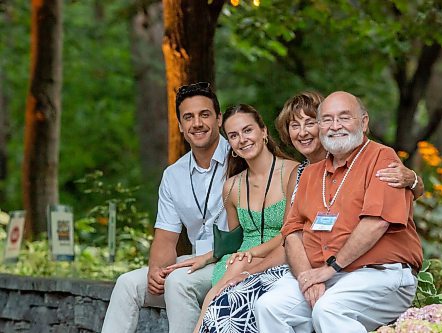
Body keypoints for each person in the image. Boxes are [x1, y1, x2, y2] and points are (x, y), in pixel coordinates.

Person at [198, 91, 423, 333]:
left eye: (344, 118)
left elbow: (376, 223)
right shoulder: (309, 174)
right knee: (269, 307)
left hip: (375, 269)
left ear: (364, 122)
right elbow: (293, 233)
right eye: (327, 119)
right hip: (319, 270)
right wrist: (307, 277)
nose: (334, 126)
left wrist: (328, 270)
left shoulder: (380, 158)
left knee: (328, 308)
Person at [101, 82, 229, 333]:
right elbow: (165, 239)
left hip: (229, 260)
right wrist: (156, 271)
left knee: (179, 282)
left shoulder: (240, 160)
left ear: (219, 119)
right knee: (128, 283)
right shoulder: (173, 175)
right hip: (193, 262)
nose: (197, 123)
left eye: (205, 115)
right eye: (188, 117)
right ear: (180, 126)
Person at [193, 104, 298, 332]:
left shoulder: (293, 172)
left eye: (247, 130)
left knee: (229, 295)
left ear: (263, 132)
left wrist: (250, 255)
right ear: (229, 144)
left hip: (279, 255)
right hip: (237, 260)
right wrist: (209, 257)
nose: (242, 139)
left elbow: (290, 234)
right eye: (233, 135)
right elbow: (236, 237)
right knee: (228, 278)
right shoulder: (231, 186)